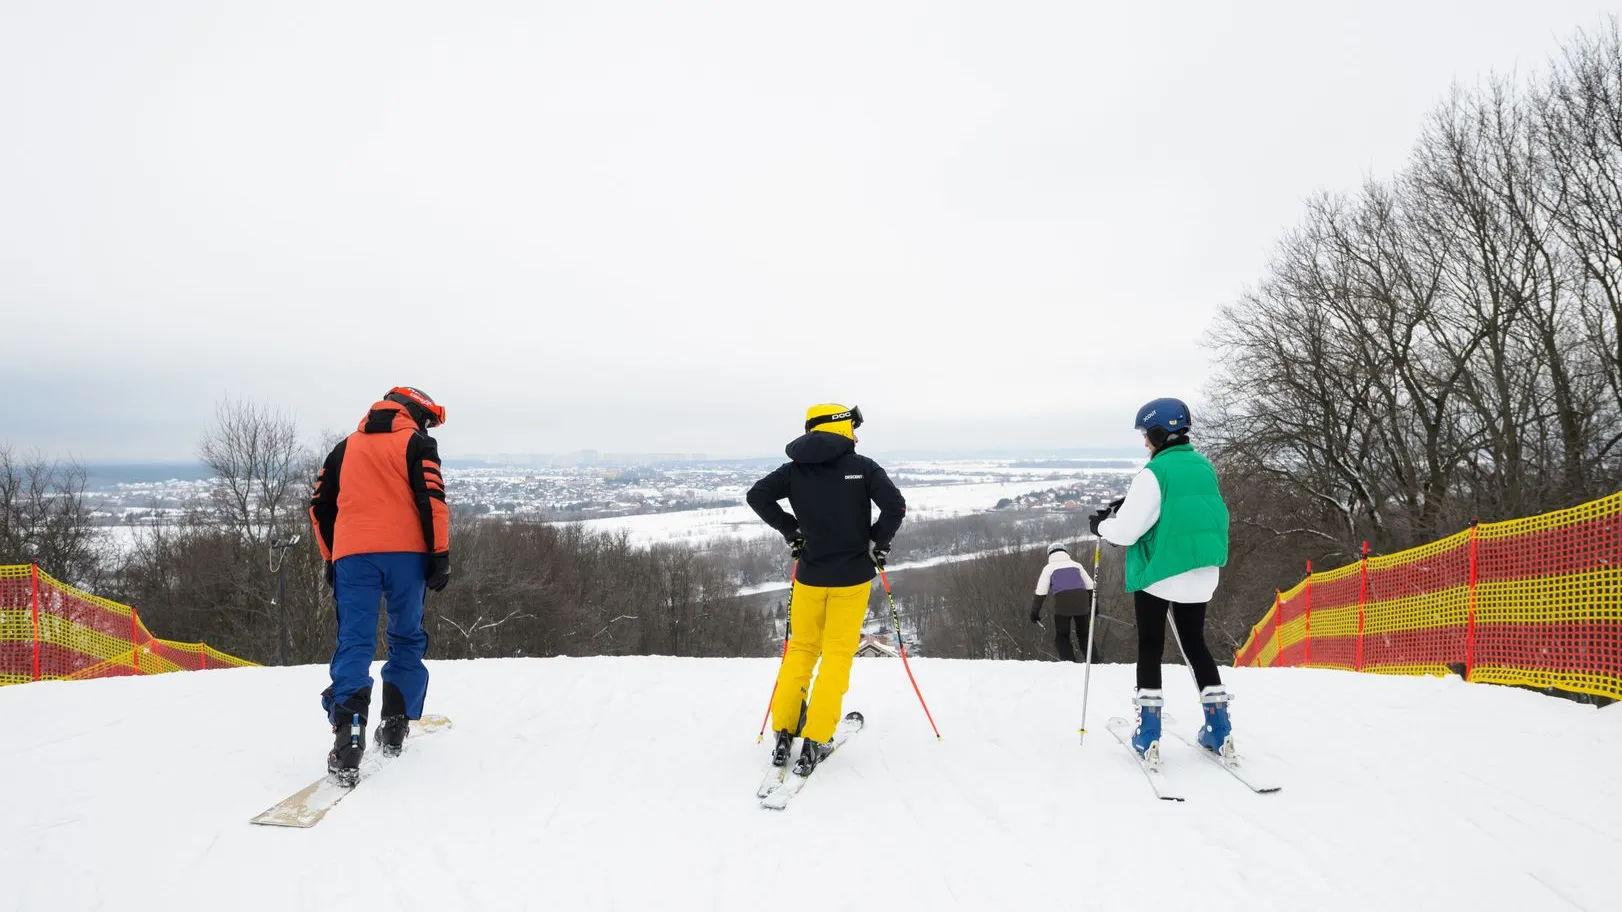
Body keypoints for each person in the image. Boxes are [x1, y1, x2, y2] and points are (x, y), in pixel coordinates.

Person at [746, 403, 906, 776]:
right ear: (838, 427)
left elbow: (758, 496)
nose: (857, 435)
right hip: (851, 579)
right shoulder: (863, 468)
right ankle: (817, 736)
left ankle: (784, 730)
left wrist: (792, 531)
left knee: (800, 651)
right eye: (852, 427)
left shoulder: (793, 471)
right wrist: (877, 544)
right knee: (836, 656)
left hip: (810, 578)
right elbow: (895, 507)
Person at [308, 386, 451, 783]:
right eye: (425, 418)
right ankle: (394, 723)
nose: (426, 426)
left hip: (354, 556)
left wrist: (331, 555)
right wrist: (440, 554)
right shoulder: (418, 444)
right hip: (408, 556)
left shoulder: (343, 448)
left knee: (355, 640)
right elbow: (433, 500)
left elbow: (319, 506)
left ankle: (349, 735)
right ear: (411, 412)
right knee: (406, 635)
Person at [1090, 396, 1231, 763]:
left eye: (1145, 434)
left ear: (1157, 432)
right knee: (1195, 644)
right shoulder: (1204, 467)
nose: (1144, 442)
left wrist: (1101, 526)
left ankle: (1149, 733)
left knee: (1150, 645)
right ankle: (1220, 729)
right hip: (1202, 571)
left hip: (1161, 574)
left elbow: (1128, 532)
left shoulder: (1154, 473)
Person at [1028, 542, 1096, 662]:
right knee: (1085, 636)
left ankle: (1069, 663)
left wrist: (1034, 613)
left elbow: (1041, 592)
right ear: (1065, 552)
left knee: (1062, 636)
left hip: (1062, 606)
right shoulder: (1076, 565)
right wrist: (1094, 607)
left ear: (1049, 554)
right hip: (1082, 603)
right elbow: (1091, 586)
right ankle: (1095, 663)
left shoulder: (1048, 568)